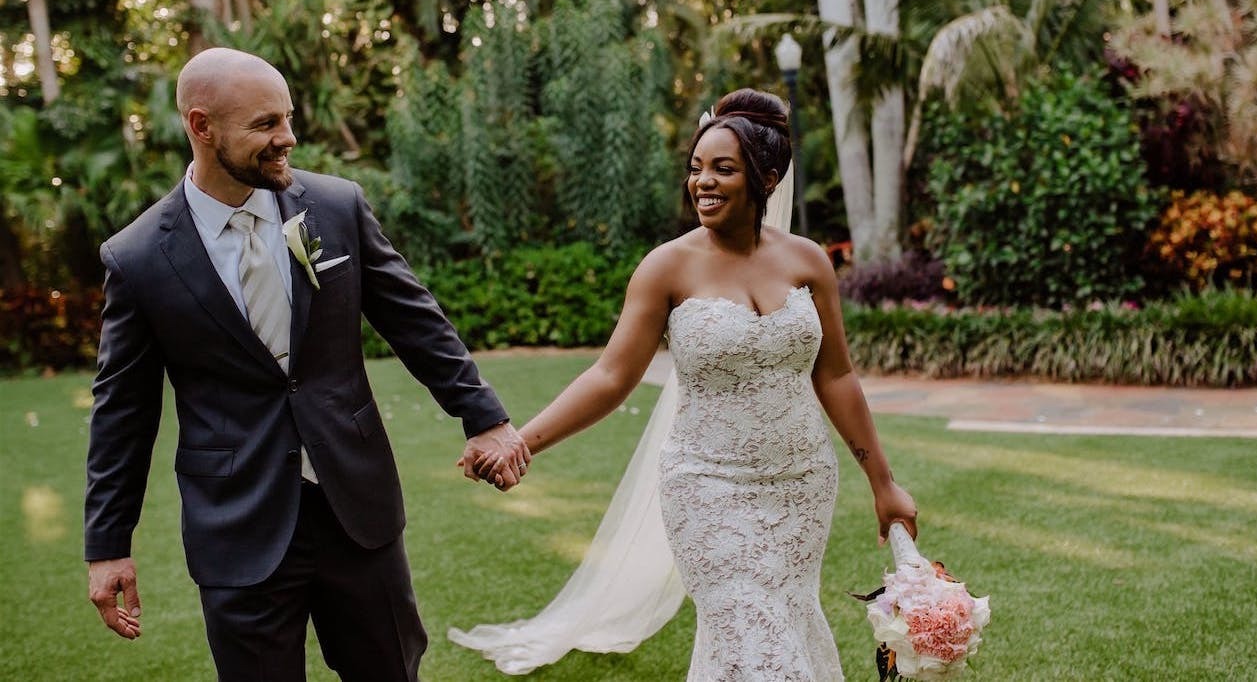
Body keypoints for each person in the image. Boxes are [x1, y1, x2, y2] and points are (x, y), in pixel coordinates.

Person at [84, 47, 531, 681]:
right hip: (237, 524)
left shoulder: (337, 205)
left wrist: (482, 416)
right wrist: (107, 546)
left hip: (357, 507)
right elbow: (122, 413)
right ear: (201, 126)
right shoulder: (137, 257)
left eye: (288, 118)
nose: (287, 138)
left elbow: (414, 320)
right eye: (265, 124)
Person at [463, 88, 918, 679]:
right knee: (753, 633)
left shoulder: (808, 262)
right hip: (708, 486)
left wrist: (883, 483)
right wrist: (520, 441)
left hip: (802, 484)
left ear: (768, 178)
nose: (702, 181)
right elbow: (609, 376)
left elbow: (836, 376)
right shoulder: (666, 267)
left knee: (785, 618)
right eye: (696, 168)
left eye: (723, 169)